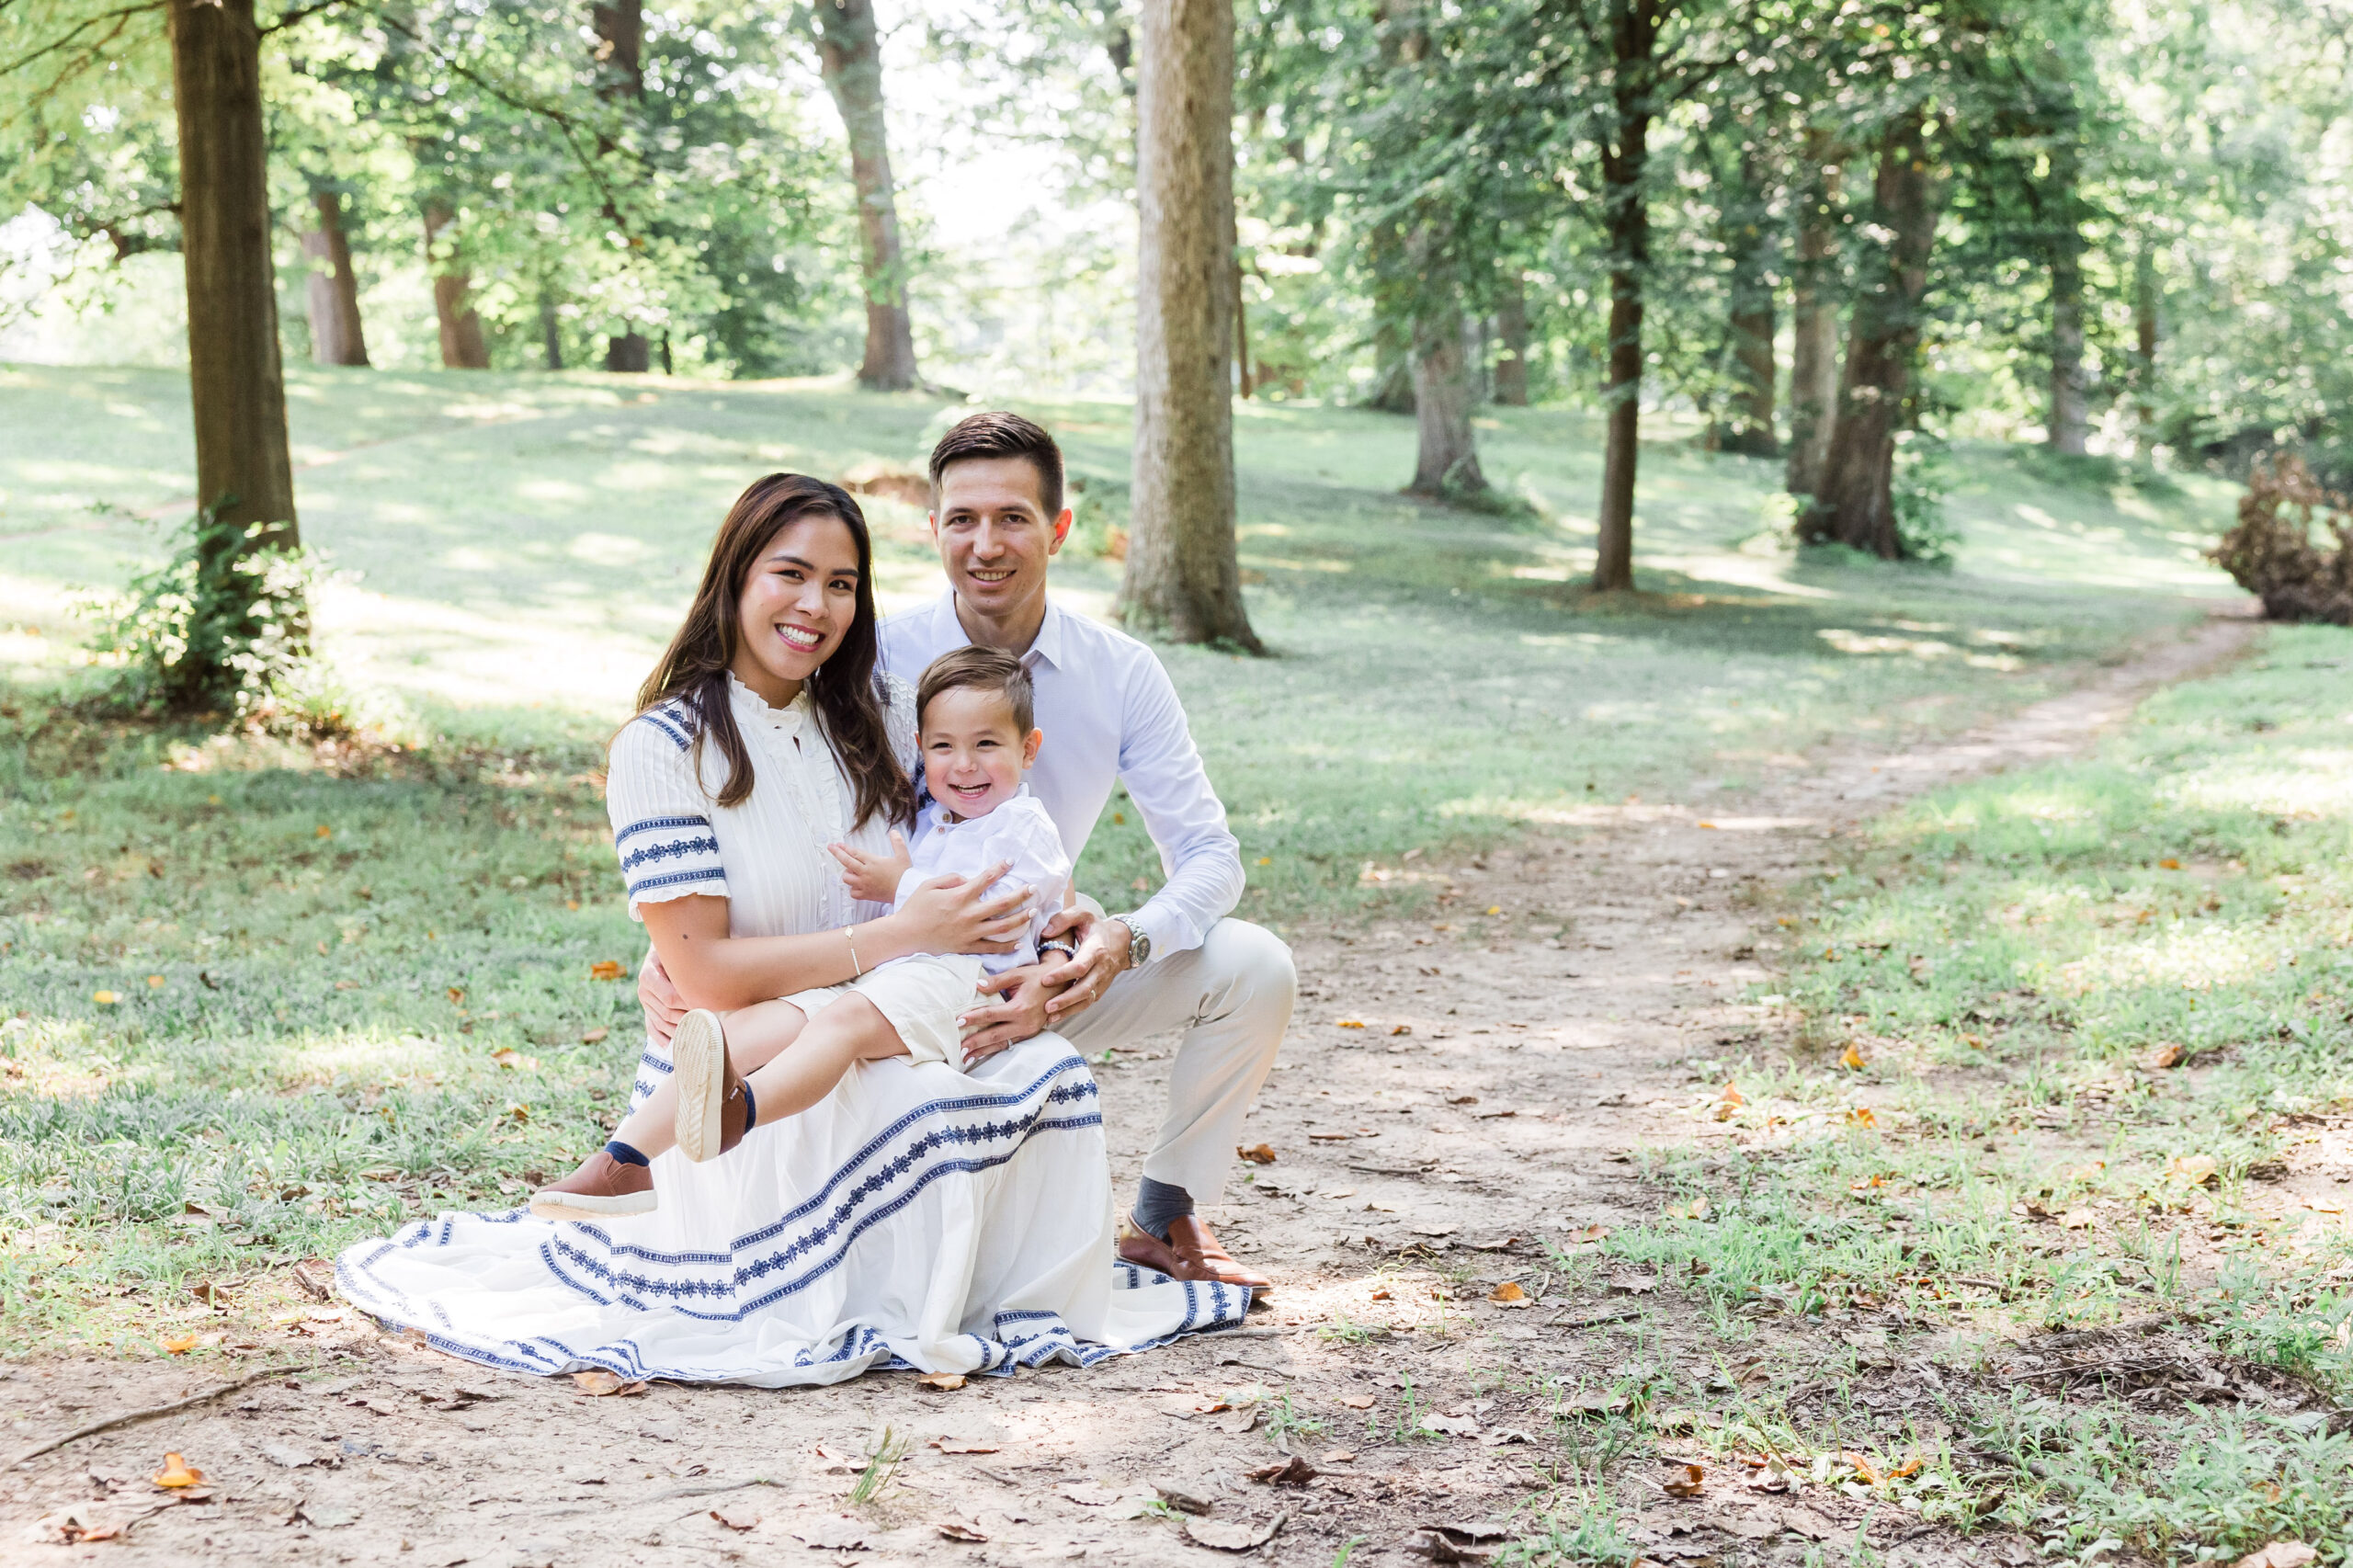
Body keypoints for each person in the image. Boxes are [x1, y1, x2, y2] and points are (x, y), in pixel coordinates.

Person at [336, 473, 1244, 1386]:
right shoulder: (662, 748)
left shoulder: (879, 714)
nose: (817, 605)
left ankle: (996, 1290)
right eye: (791, 574)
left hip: (893, 1005)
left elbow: (986, 829)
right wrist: (718, 953)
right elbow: (714, 981)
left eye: (843, 584)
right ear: (734, 575)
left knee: (1041, 1067)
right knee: (872, 1075)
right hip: (766, 1030)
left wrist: (1060, 933)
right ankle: (665, 1160)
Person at [637, 413, 1295, 1290]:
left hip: (1042, 965)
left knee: (1256, 964)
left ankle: (1167, 1211)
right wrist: (673, 945)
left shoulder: (1122, 673)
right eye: (962, 520)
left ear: (1057, 530)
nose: (986, 545)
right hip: (887, 967)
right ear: (934, 530)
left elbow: (1212, 856)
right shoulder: (872, 656)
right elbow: (776, 792)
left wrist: (1115, 942)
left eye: (1013, 518)